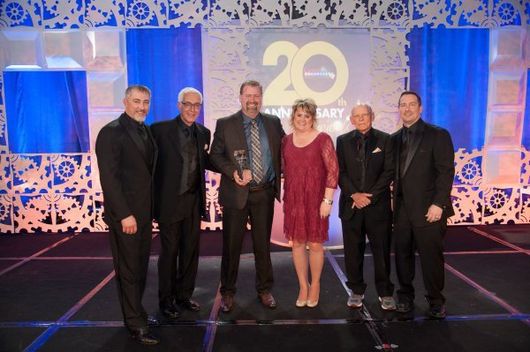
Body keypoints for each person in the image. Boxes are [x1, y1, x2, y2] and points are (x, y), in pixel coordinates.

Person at [209, 80, 285, 313]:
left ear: (261, 98)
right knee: (231, 247)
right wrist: (232, 172)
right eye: (248, 96)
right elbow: (214, 156)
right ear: (240, 97)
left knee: (262, 246)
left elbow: (285, 150)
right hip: (236, 194)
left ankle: (264, 289)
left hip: (263, 194)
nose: (252, 100)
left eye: (256, 96)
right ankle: (228, 293)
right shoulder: (225, 124)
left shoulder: (273, 123)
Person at [95, 85, 159, 345]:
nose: (141, 106)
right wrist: (124, 215)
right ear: (125, 101)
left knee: (140, 268)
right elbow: (109, 180)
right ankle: (134, 323)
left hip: (144, 215)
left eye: (145, 102)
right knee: (129, 270)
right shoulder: (111, 133)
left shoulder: (146, 130)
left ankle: (137, 312)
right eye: (136, 101)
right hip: (127, 218)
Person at [392, 91, 455, 319]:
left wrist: (438, 203)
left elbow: (446, 172)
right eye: (402, 105)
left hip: (430, 210)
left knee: (431, 257)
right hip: (401, 211)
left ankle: (436, 301)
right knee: (402, 256)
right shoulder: (394, 138)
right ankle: (405, 297)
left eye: (411, 104)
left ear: (420, 108)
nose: (406, 109)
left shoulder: (438, 135)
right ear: (398, 109)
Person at [151, 87, 211, 320]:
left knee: (190, 252)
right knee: (169, 253)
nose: (192, 109)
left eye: (197, 105)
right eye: (188, 104)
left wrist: (233, 169)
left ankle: (184, 296)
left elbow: (207, 162)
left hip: (193, 202)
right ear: (179, 105)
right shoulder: (159, 130)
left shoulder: (204, 132)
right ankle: (166, 301)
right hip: (169, 203)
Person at [336, 104, 395, 310]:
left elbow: (389, 171)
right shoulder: (342, 141)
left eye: (365, 115)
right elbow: (340, 172)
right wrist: (354, 194)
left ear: (372, 116)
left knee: (382, 251)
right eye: (357, 116)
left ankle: (385, 292)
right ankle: (356, 291)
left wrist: (370, 196)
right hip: (351, 205)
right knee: (353, 251)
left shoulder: (386, 139)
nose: (361, 119)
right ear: (351, 119)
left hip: (377, 206)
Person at [282, 98, 338, 308]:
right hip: (294, 200)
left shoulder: (323, 139)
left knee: (315, 244)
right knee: (297, 243)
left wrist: (328, 200)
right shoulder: (286, 141)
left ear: (313, 118)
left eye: (307, 115)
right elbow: (284, 170)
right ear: (293, 117)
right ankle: (303, 286)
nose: (303, 119)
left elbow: (333, 171)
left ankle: (315, 285)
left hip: (317, 200)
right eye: (299, 115)